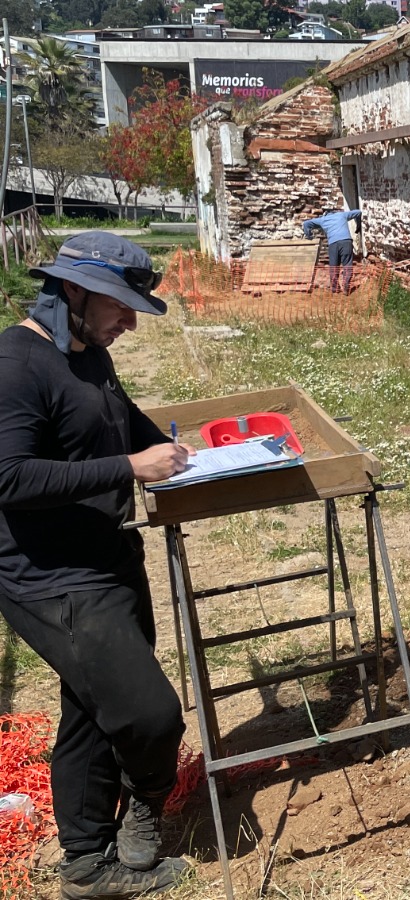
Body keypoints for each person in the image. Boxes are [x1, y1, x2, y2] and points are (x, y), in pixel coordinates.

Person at [0, 233, 195, 897]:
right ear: (73, 290)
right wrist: (130, 467)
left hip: (105, 553)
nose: (130, 320)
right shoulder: (17, 363)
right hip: (50, 577)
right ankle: (145, 807)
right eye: (120, 303)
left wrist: (166, 450)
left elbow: (120, 416)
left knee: (91, 707)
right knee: (151, 713)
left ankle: (87, 864)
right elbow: (9, 476)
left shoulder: (87, 352)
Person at [302, 208, 363, 293]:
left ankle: (335, 289)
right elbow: (358, 212)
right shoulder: (342, 215)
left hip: (333, 244)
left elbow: (306, 223)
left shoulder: (323, 219)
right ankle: (346, 285)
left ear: (326, 214)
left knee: (334, 266)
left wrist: (309, 236)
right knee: (347, 264)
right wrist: (358, 226)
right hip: (346, 241)